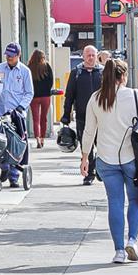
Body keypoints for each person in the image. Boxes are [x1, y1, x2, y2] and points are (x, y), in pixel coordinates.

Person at [81, 57, 138, 263]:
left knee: (115, 202)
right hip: (133, 158)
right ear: (123, 76)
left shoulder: (96, 99)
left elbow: (89, 132)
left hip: (106, 159)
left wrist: (85, 157)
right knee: (135, 200)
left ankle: (118, 251)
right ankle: (132, 240)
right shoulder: (134, 96)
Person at [0, 43, 34, 187]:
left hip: (17, 114)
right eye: (7, 55)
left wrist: (21, 107)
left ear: (18, 56)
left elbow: (29, 92)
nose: (9, 58)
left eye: (12, 56)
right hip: (1, 112)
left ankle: (14, 175)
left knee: (16, 144)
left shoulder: (24, 71)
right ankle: (4, 168)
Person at [62, 45, 103, 185]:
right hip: (83, 116)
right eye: (88, 55)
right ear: (83, 57)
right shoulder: (77, 73)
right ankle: (89, 173)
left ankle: (101, 169)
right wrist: (66, 114)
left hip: (102, 116)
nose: (91, 58)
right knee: (87, 146)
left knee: (102, 144)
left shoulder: (102, 72)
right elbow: (69, 95)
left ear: (97, 56)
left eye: (93, 55)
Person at [28, 49, 54, 147]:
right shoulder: (46, 67)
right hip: (45, 96)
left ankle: (37, 139)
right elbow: (51, 81)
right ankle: (43, 139)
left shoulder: (30, 67)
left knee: (36, 119)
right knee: (44, 118)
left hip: (34, 97)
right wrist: (47, 89)